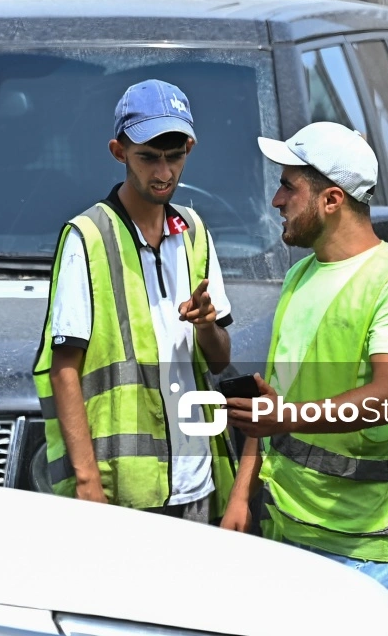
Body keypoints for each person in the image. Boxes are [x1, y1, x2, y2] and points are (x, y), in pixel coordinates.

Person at [222, 122, 388, 625]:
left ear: (332, 199)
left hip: (370, 556)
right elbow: (271, 405)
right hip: (288, 542)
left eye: (289, 186)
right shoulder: (300, 275)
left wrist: (285, 418)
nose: (276, 200)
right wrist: (240, 497)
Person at [32, 79, 238, 523]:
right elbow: (63, 368)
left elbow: (219, 361)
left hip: (195, 480)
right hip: (120, 491)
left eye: (174, 157)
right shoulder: (87, 238)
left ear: (189, 149)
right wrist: (87, 484)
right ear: (118, 151)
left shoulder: (195, 233)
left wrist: (207, 326)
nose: (164, 173)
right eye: (148, 157)